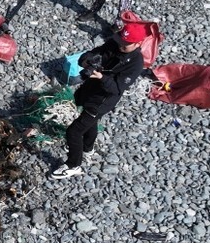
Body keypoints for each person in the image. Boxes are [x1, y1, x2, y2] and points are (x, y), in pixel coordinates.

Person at [52, 26, 145, 179]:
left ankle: (73, 165)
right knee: (91, 121)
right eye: (120, 40)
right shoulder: (114, 44)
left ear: (138, 43)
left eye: (126, 44)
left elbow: (117, 88)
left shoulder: (136, 64)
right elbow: (96, 52)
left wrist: (101, 77)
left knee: (74, 131)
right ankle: (88, 149)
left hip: (102, 100)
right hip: (91, 90)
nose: (121, 45)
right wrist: (87, 60)